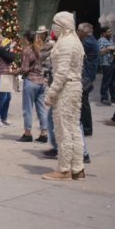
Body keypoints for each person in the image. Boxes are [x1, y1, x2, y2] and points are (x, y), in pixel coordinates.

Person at [42, 12, 86, 181]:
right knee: (74, 129)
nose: (54, 27)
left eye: (56, 24)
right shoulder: (74, 41)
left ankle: (64, 169)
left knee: (63, 130)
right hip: (73, 85)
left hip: (66, 88)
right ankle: (78, 168)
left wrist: (51, 93)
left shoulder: (67, 43)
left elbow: (62, 71)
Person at [18, 30, 48, 143]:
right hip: (41, 81)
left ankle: (28, 133)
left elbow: (25, 68)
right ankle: (44, 133)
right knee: (41, 108)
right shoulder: (40, 48)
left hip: (30, 81)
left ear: (26, 38)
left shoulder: (27, 50)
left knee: (27, 108)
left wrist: (16, 71)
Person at [77, 23, 99, 136]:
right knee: (83, 102)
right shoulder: (91, 40)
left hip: (86, 76)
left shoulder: (88, 42)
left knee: (84, 102)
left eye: (78, 30)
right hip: (88, 74)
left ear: (84, 32)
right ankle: (85, 126)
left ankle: (87, 128)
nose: (77, 33)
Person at [98, 26, 115, 105]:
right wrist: (108, 48)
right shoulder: (101, 40)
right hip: (106, 63)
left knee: (114, 81)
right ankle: (104, 97)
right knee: (106, 81)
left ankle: (114, 97)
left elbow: (113, 49)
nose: (110, 33)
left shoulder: (110, 40)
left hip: (113, 62)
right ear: (103, 33)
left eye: (110, 31)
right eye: (108, 32)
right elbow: (100, 52)